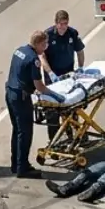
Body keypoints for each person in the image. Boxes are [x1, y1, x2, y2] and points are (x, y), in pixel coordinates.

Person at [5, 31, 65, 179]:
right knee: (25, 132)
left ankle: (16, 164)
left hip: (10, 93)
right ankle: (23, 168)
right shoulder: (34, 59)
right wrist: (53, 95)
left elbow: (19, 74)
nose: (46, 47)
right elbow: (39, 85)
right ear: (38, 43)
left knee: (17, 130)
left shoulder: (19, 51)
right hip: (21, 98)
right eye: (44, 44)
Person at [39, 10, 86, 142]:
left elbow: (80, 51)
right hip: (53, 79)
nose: (63, 27)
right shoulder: (47, 35)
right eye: (61, 24)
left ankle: (74, 135)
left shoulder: (72, 33)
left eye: (65, 23)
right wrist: (50, 73)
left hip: (68, 77)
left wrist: (81, 68)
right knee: (52, 110)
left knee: (71, 106)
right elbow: (42, 57)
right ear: (56, 23)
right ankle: (54, 139)